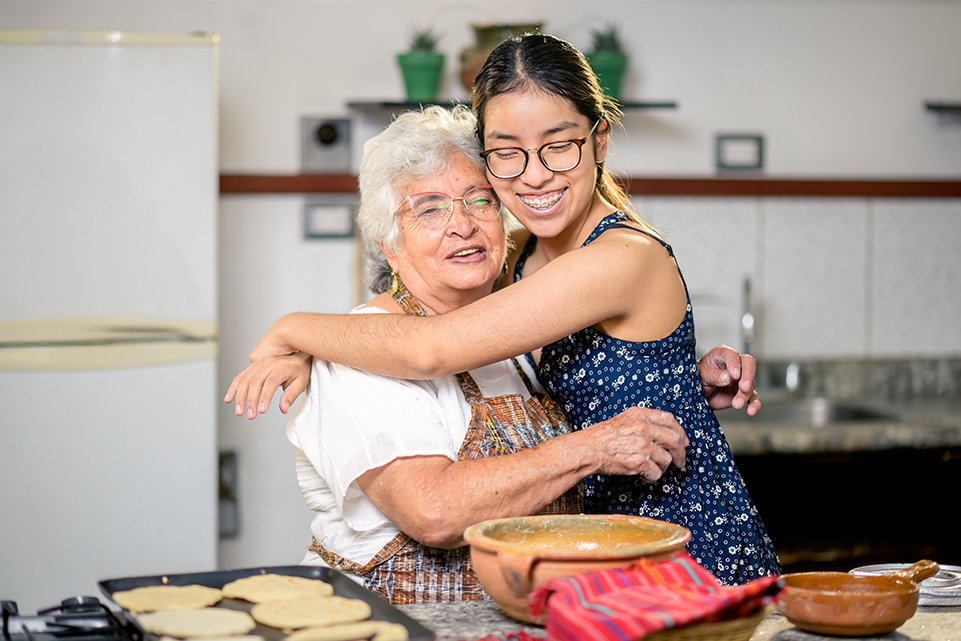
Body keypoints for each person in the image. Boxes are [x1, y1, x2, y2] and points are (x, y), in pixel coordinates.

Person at [226, 34, 780, 584]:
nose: (534, 175)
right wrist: (684, 375)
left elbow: (430, 348)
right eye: (507, 153)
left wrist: (293, 329)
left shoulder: (621, 257)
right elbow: (420, 324)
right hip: (600, 553)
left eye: (559, 145)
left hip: (685, 542)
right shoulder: (517, 255)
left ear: (600, 140)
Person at [256, 105, 691, 603]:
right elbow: (433, 511)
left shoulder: (513, 337)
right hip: (397, 625)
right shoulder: (362, 351)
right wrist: (591, 449)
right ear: (389, 244)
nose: (461, 225)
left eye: (479, 200)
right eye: (430, 208)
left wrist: (682, 375)